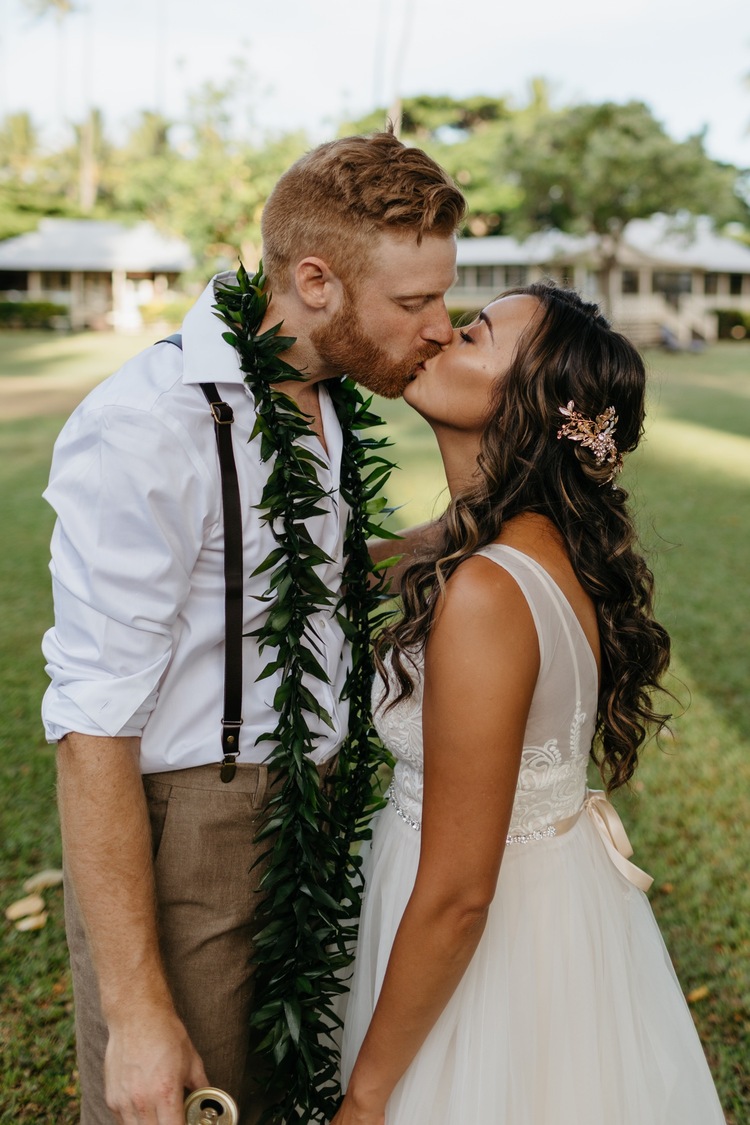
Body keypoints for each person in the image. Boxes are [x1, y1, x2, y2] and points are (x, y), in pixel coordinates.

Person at [41, 131, 465, 1125]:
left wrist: (467, 530)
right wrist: (139, 1011)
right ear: (316, 281)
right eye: (415, 303)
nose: (442, 328)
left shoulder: (319, 395)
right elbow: (92, 722)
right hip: (198, 832)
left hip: (315, 820)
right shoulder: (149, 423)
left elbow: (296, 581)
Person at [334, 283, 726, 1124]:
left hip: (483, 940)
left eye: (472, 333)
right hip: (552, 911)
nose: (438, 333)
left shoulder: (486, 591)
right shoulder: (520, 536)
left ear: (528, 405)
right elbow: (379, 560)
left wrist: (365, 1098)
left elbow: (459, 893)